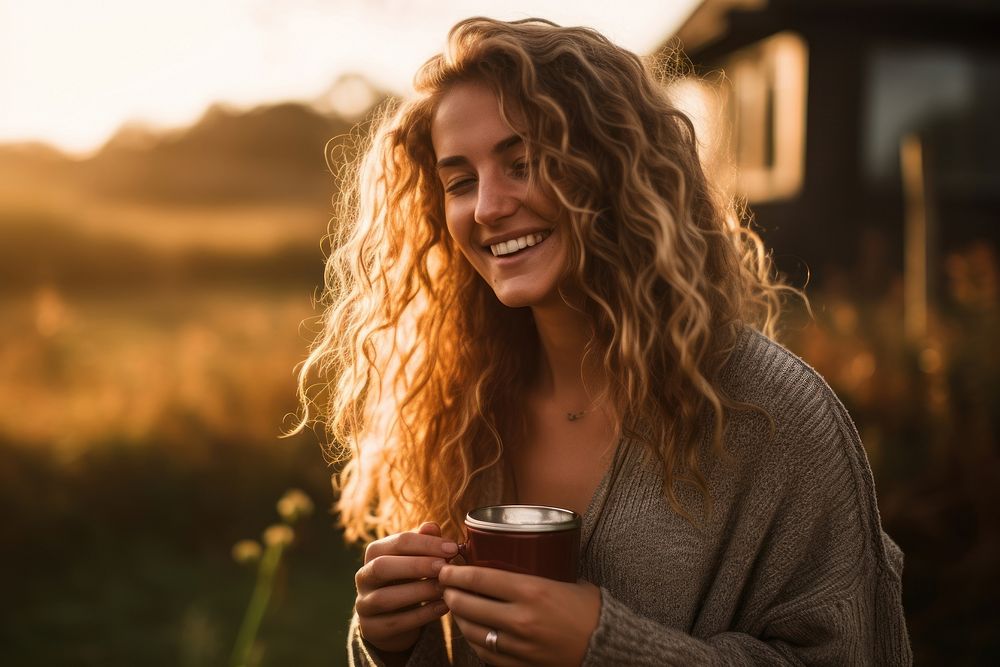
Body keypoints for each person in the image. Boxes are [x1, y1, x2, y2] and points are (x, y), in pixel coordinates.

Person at [294, 16, 911, 667]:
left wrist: (608, 646)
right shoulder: (461, 404)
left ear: (617, 165)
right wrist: (394, 642)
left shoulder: (776, 416)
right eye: (460, 180)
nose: (486, 207)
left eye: (523, 162)